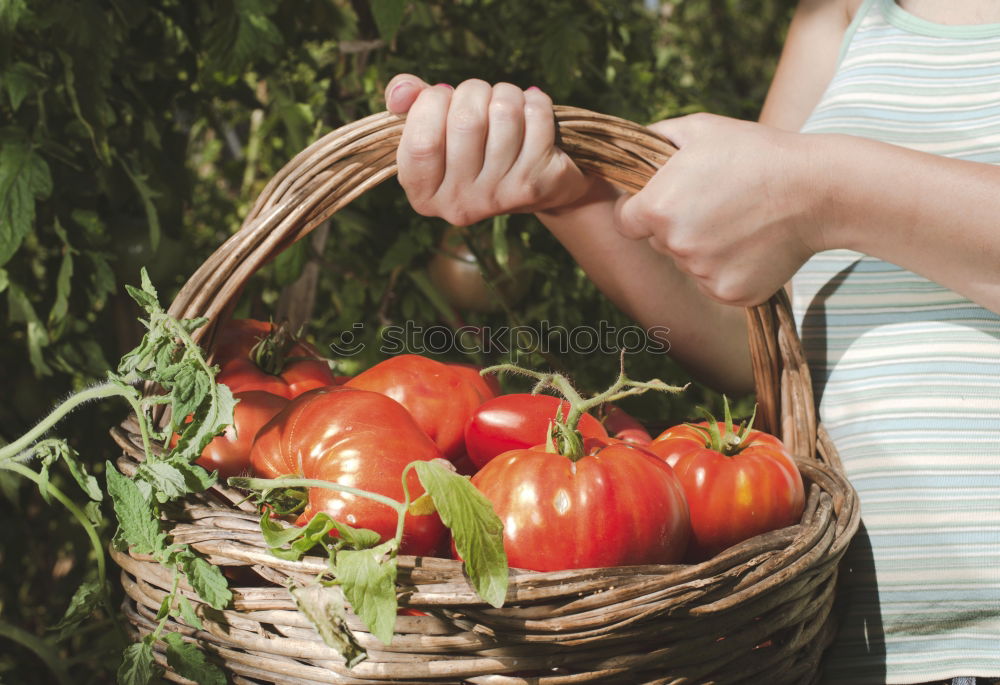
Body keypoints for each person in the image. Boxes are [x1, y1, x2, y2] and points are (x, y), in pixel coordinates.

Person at [383, 0, 1000, 683]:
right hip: (839, 640)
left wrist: (824, 191)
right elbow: (752, 338)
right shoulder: (844, 13)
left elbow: (807, 194)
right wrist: (574, 195)